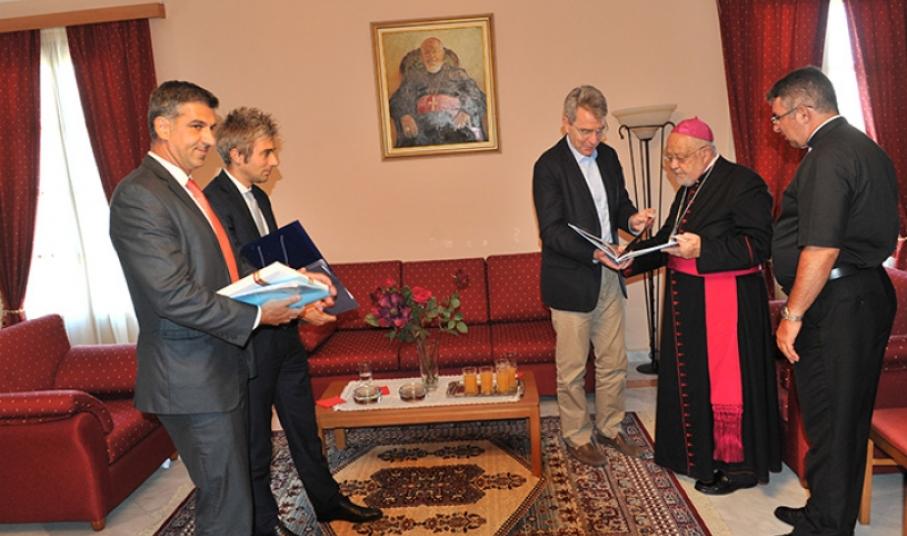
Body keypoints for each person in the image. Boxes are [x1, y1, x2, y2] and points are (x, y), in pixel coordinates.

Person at [109, 81, 315, 535]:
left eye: (211, 127)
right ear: (163, 126)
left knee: (234, 496)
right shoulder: (140, 194)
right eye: (197, 126)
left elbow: (226, 268)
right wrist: (258, 315)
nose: (208, 138)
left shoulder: (185, 189)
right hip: (190, 376)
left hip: (219, 370)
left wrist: (295, 286)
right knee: (227, 507)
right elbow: (172, 294)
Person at [204, 107, 382, 535]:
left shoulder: (260, 197)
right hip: (250, 342)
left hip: (283, 335)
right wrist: (301, 301)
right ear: (237, 155)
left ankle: (327, 502)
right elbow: (240, 274)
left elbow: (271, 265)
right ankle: (263, 523)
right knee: (256, 445)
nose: (274, 161)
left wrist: (306, 302)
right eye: (266, 153)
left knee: (304, 427)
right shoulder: (213, 202)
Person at [769, 66, 898, 535]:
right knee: (843, 416)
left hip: (837, 302)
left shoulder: (827, 156)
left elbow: (821, 249)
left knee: (831, 419)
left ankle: (827, 526)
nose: (776, 127)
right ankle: (823, 510)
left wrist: (792, 314)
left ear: (804, 111)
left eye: (779, 117)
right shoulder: (865, 147)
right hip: (864, 293)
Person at [627, 117, 781, 494]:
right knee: (694, 380)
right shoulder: (689, 189)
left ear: (705, 152)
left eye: (679, 158)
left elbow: (759, 245)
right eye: (669, 158)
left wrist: (704, 248)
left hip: (727, 304)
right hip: (689, 304)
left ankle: (738, 467)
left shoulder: (743, 183)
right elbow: (667, 241)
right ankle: (695, 456)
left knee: (725, 385)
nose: (673, 166)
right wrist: (626, 258)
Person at [532, 85, 654, 466]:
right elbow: (551, 231)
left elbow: (620, 205)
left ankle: (610, 427)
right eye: (585, 131)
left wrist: (632, 220)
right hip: (570, 280)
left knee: (614, 361)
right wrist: (595, 252)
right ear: (565, 123)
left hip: (609, 278)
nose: (593, 139)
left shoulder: (609, 157)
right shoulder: (548, 167)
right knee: (571, 370)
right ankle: (577, 435)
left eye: (599, 130)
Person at [389, 36, 487, 147]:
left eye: (434, 51)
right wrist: (405, 115)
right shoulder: (413, 77)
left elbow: (476, 95)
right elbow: (397, 99)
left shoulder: (458, 74)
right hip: (422, 128)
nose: (431, 56)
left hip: (456, 125)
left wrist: (467, 111)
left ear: (443, 53)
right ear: (422, 56)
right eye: (427, 52)